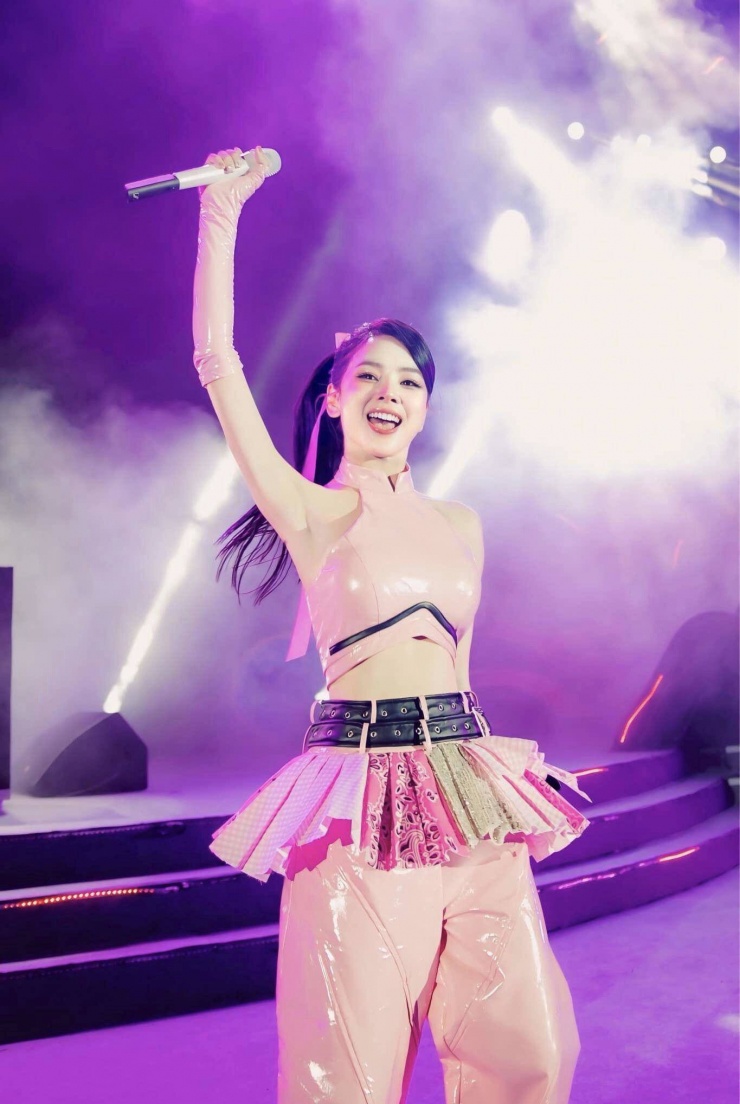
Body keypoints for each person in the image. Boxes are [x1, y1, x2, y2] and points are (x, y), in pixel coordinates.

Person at [192, 145, 593, 1104]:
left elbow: (461, 666)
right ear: (333, 400)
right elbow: (217, 363)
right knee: (350, 1073)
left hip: (469, 792)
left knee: (531, 1050)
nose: (389, 393)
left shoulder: (462, 525)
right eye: (367, 377)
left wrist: (491, 772)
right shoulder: (313, 511)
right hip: (359, 804)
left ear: (425, 407)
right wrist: (221, 213)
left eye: (409, 381)